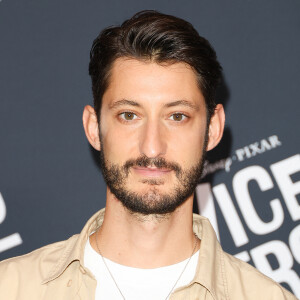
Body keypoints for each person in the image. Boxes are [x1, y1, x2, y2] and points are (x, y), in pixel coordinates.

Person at [0, 10, 297, 300]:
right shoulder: (11, 288)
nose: (152, 147)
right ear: (94, 128)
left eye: (177, 116)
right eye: (129, 115)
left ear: (213, 129)